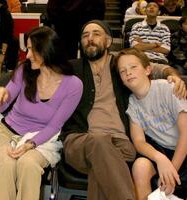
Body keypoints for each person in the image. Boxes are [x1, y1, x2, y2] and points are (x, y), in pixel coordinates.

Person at [60, 20, 186, 200]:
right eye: (85, 35)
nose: (90, 38)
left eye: (96, 34)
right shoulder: (71, 69)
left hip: (120, 145)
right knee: (100, 143)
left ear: (109, 42)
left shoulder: (121, 66)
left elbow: (152, 68)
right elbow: (42, 73)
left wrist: (173, 76)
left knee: (102, 169)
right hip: (80, 140)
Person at [0, 26, 83, 200]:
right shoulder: (24, 71)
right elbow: (1, 107)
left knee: (29, 164)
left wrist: (30, 144)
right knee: (5, 164)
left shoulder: (73, 85)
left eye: (33, 49)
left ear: (48, 50)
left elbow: (55, 126)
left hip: (42, 139)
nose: (28, 55)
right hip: (6, 132)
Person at [116, 47, 187, 199]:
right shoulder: (132, 104)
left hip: (183, 148)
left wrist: (171, 170)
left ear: (148, 70)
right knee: (140, 166)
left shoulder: (168, 88)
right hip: (163, 152)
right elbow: (139, 142)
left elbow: (185, 133)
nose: (128, 72)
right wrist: (160, 158)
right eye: (123, 71)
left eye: (133, 67)